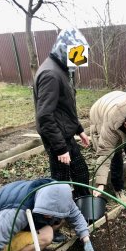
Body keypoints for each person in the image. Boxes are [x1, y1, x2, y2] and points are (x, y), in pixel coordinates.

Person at [33, 27, 90, 210]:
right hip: (56, 138)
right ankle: (55, 217)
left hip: (64, 133)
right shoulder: (50, 74)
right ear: (64, 49)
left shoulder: (61, 69)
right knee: (60, 182)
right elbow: (44, 116)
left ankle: (84, 206)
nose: (79, 59)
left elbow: (65, 108)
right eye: (77, 53)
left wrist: (79, 130)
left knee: (80, 171)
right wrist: (60, 149)